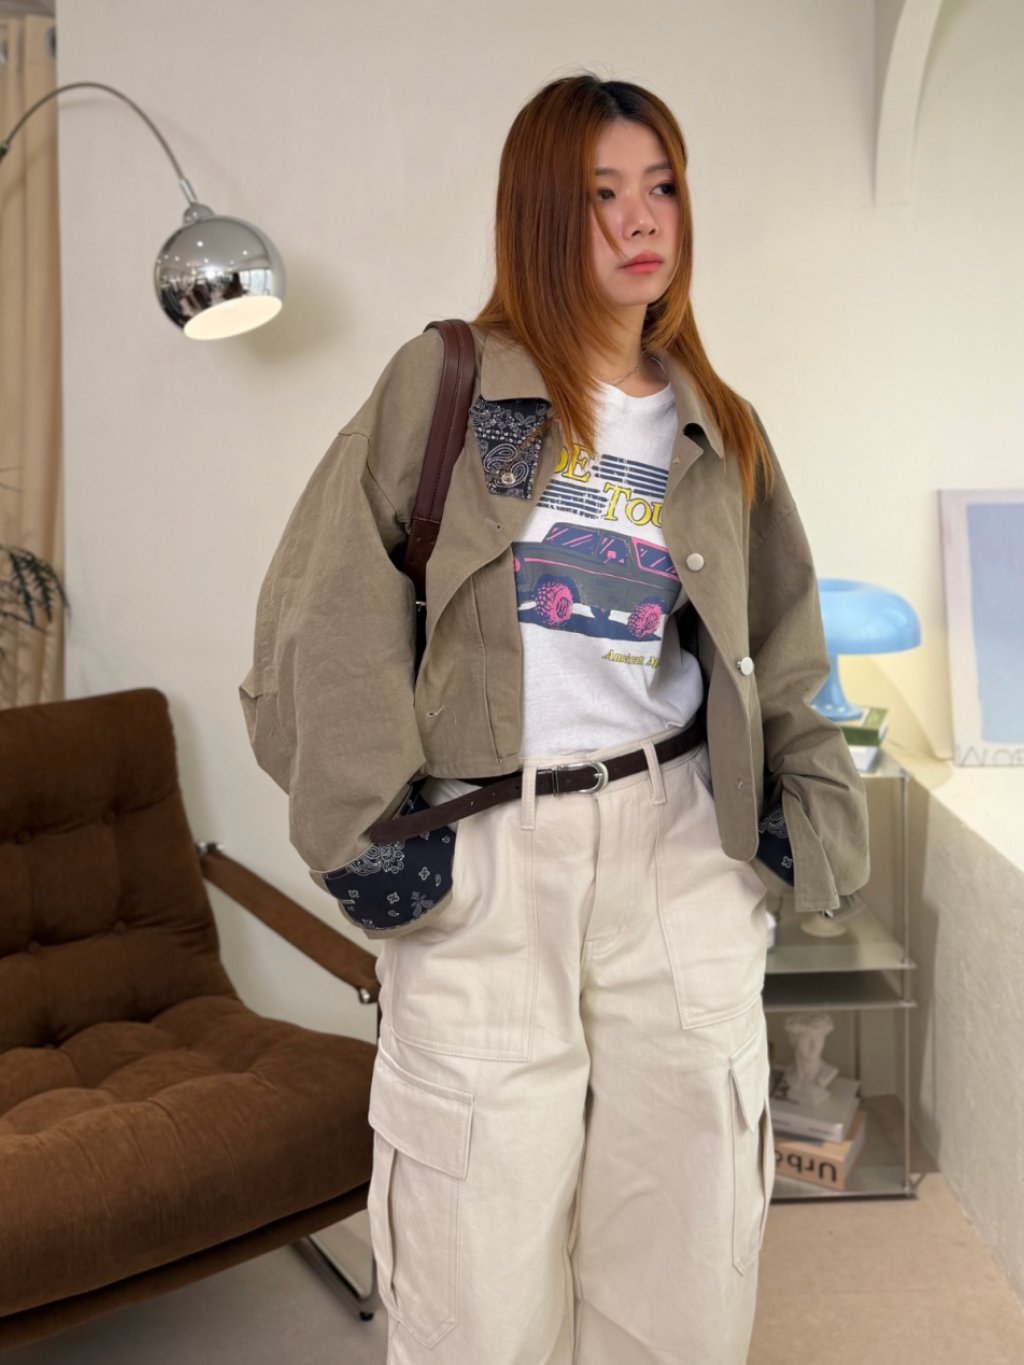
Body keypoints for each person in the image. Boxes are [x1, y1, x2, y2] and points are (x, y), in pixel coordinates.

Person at [239, 71, 870, 1365]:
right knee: (473, 1266)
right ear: (539, 213)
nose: (643, 219)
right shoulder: (446, 385)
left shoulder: (719, 425)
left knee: (685, 1252)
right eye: (602, 194)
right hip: (491, 855)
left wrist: (804, 822)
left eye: (663, 187)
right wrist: (365, 826)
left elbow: (786, 640)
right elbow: (322, 610)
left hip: (677, 845)